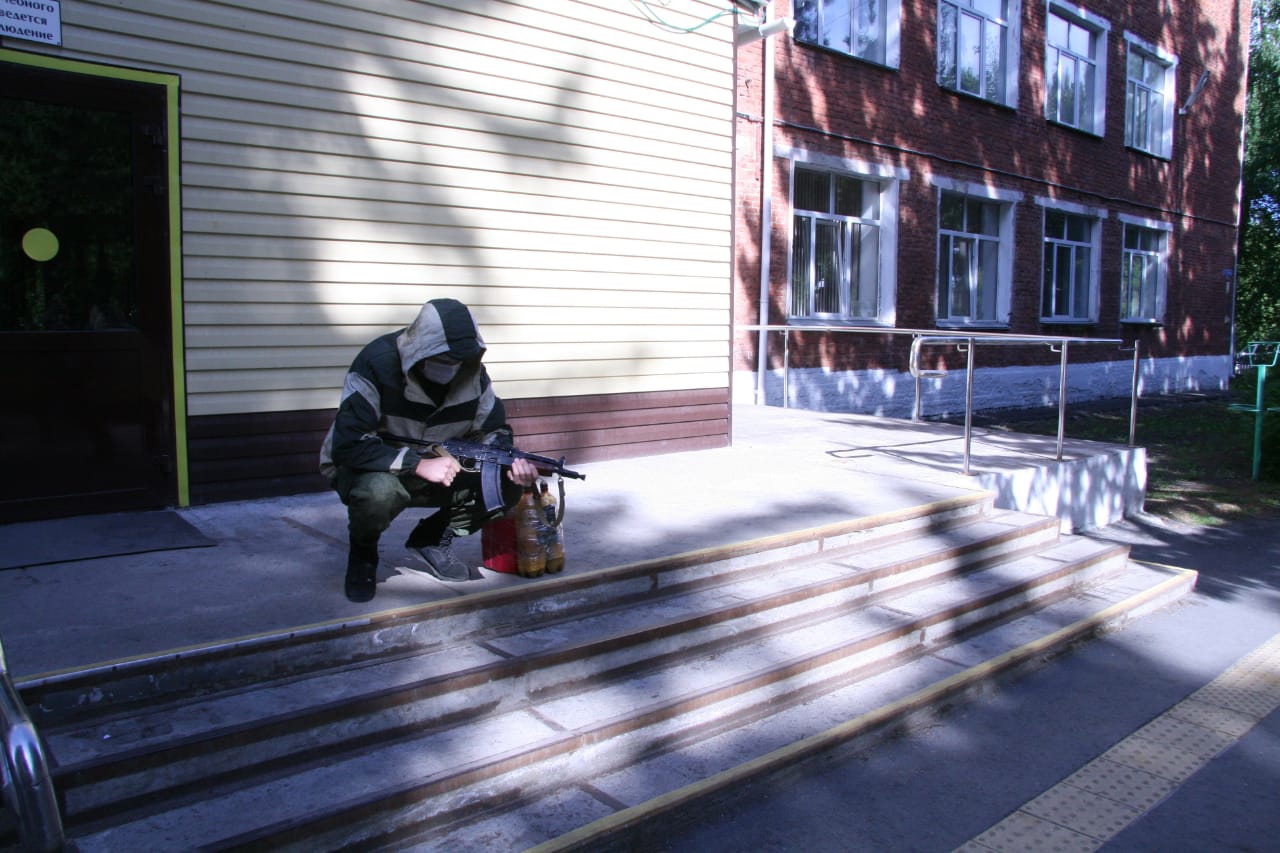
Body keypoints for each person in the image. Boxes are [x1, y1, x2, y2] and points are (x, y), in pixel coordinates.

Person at [319, 298, 538, 602]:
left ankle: (431, 540)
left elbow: (494, 428)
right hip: (373, 469)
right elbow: (348, 443)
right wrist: (418, 464)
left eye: (457, 359)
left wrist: (508, 460)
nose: (451, 365)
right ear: (420, 349)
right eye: (443, 358)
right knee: (378, 494)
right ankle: (363, 554)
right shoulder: (376, 363)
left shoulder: (473, 373)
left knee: (505, 487)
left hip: (441, 470)